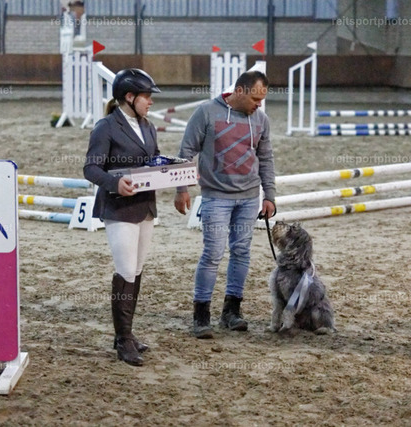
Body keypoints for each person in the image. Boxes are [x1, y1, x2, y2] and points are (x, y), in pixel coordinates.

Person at [174, 70, 276, 339]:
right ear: (239, 91)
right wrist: (181, 189)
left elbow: (266, 158)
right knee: (213, 254)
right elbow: (186, 152)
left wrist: (269, 195)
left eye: (262, 99)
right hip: (216, 197)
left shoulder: (261, 120)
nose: (259, 105)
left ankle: (232, 311)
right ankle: (201, 315)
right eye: (255, 99)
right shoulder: (206, 112)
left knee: (242, 252)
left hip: (249, 198)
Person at [84, 68, 160, 366]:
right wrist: (114, 183)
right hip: (118, 207)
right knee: (126, 270)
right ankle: (123, 339)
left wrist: (174, 169)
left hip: (145, 206)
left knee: (137, 270)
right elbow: (91, 168)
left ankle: (127, 333)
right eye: (146, 97)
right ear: (129, 97)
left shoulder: (148, 126)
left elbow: (154, 159)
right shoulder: (106, 127)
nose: (150, 102)